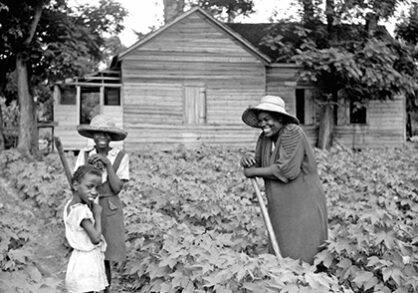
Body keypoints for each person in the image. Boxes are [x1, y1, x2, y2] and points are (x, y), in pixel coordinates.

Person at [241, 95, 328, 264]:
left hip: (303, 204)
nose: (263, 124)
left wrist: (253, 172)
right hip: (279, 205)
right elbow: (257, 163)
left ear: (279, 118)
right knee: (282, 247)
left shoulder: (292, 132)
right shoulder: (265, 138)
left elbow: (287, 170)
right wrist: (247, 159)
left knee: (304, 251)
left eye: (267, 119)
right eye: (260, 121)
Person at [74, 114, 129, 292]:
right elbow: (76, 184)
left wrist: (107, 163)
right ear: (93, 136)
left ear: (111, 137)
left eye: (106, 134)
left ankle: (106, 288)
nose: (102, 138)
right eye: (98, 134)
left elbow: (117, 187)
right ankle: (88, 287)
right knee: (88, 248)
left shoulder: (119, 156)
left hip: (110, 208)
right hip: (88, 206)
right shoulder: (84, 155)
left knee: (106, 252)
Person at [64, 164, 108, 293]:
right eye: (89, 187)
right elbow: (95, 238)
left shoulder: (72, 205)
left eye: (97, 188)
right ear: (76, 185)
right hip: (86, 263)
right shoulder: (80, 211)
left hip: (81, 259)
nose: (94, 192)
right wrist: (98, 215)